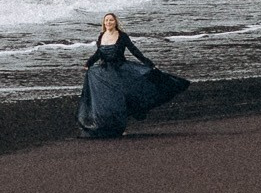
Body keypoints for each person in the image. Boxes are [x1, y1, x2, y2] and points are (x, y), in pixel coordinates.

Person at [77, 10, 190, 139]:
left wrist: (149, 63)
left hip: (121, 71)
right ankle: (106, 127)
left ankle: (121, 127)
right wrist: (88, 64)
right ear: (104, 23)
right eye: (106, 20)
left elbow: (134, 51)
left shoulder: (122, 36)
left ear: (115, 22)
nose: (108, 22)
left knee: (121, 99)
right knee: (106, 101)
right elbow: (98, 53)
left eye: (111, 20)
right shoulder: (101, 36)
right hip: (104, 73)